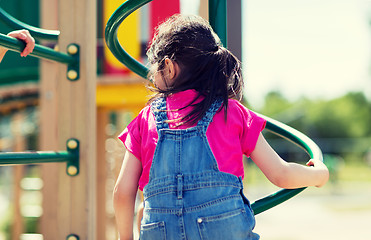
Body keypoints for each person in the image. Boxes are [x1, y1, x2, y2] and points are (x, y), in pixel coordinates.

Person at [113, 14, 329, 240]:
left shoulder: (145, 118)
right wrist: (318, 176)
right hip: (224, 232)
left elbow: (122, 192)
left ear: (168, 67)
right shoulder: (232, 112)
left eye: (153, 65)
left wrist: (125, 237)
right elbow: (281, 174)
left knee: (143, 212)